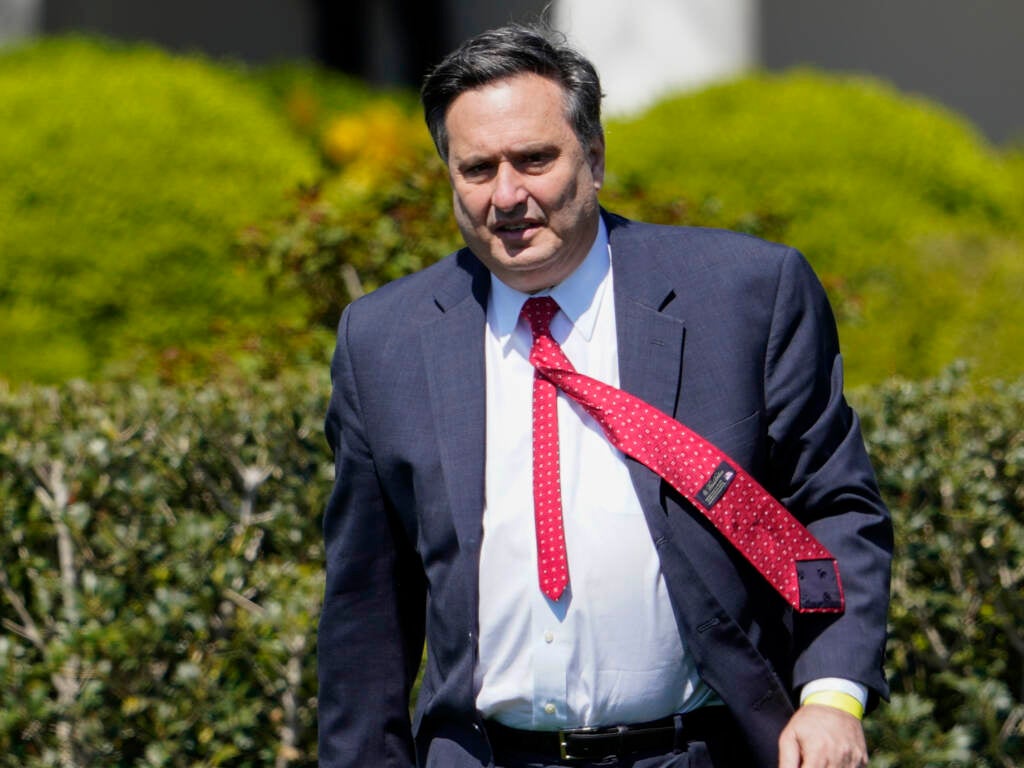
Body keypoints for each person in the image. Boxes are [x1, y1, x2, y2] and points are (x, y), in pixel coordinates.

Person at [318, 23, 892, 768]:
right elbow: (366, 606)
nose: (507, 195)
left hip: (696, 751)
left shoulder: (744, 297)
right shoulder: (383, 339)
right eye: (476, 169)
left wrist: (831, 694)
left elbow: (831, 507)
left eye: (535, 159)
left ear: (593, 158)